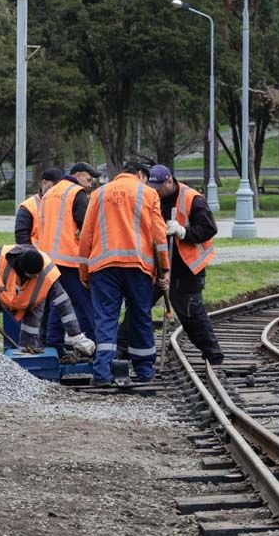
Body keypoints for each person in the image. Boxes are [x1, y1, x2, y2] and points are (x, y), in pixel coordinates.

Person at [78, 161, 170, 386]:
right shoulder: (148, 193)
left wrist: (84, 272)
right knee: (140, 317)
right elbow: (159, 236)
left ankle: (102, 373)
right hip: (138, 268)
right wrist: (164, 269)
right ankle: (145, 371)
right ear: (140, 174)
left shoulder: (99, 194)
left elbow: (86, 237)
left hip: (103, 267)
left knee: (106, 319)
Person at [146, 164, 224, 366]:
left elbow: (208, 228)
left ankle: (213, 354)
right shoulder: (151, 197)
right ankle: (122, 347)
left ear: (169, 181)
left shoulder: (192, 198)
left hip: (186, 267)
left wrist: (184, 232)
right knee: (140, 305)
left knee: (191, 312)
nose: (156, 191)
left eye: (159, 186)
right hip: (158, 265)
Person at [38, 162, 101, 349]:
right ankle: (95, 348)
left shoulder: (49, 194)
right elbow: (88, 226)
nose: (89, 185)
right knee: (84, 304)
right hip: (69, 260)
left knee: (59, 304)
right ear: (78, 175)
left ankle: (54, 347)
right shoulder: (76, 193)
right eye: (88, 180)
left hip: (48, 260)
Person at [15, 168, 63, 246]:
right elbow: (22, 237)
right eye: (55, 185)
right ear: (44, 182)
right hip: (36, 254)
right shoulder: (28, 206)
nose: (57, 189)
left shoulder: (64, 204)